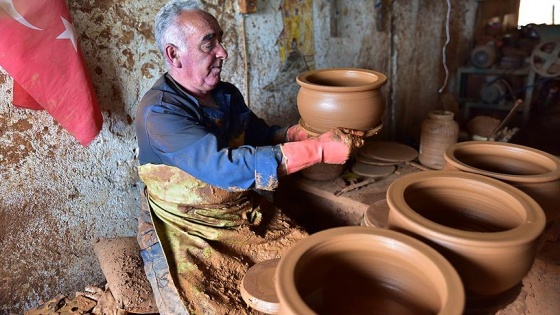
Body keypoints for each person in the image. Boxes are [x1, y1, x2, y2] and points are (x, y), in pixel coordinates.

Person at [135, 0, 364, 313]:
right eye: (208, 43)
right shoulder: (159, 113)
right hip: (189, 224)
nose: (223, 52)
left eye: (220, 38)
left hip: (240, 210)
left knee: (310, 268)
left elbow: (257, 134)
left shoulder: (226, 94)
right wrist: (320, 150)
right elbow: (224, 167)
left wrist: (295, 134)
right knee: (215, 303)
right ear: (173, 54)